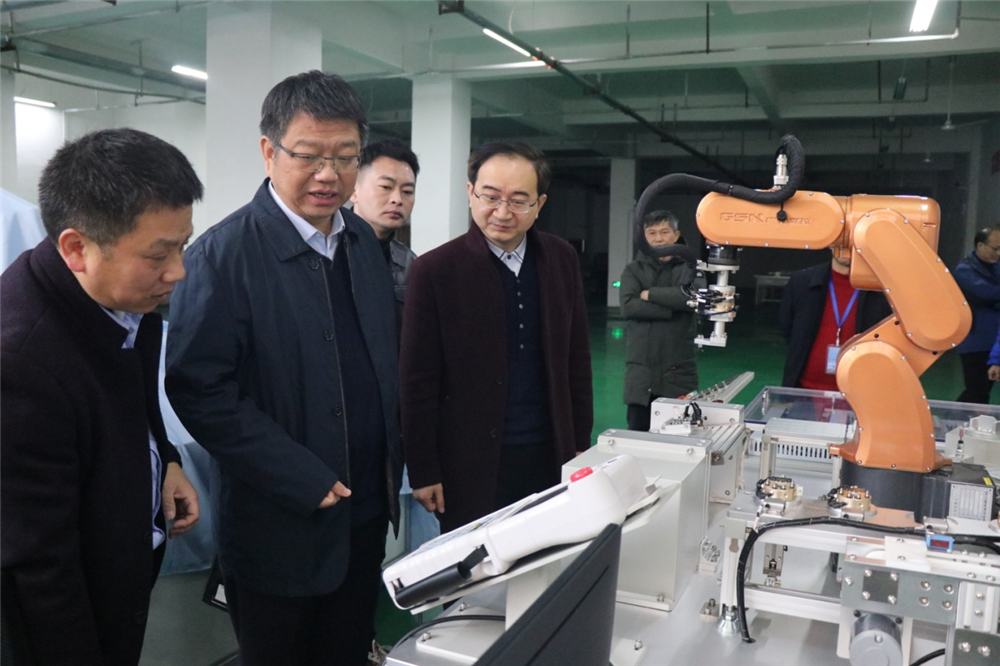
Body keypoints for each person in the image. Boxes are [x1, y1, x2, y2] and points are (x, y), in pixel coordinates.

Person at [165, 71, 402, 666]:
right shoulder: (221, 257)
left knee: (347, 650)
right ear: (269, 151)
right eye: (309, 155)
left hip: (364, 514)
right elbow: (199, 390)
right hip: (278, 524)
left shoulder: (363, 245)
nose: (328, 174)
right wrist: (300, 476)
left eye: (345, 157)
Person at [1, 128, 202, 665]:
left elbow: (130, 402)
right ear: (77, 248)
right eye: (159, 254)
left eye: (182, 244)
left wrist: (165, 460)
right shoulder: (21, 364)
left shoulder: (125, 303)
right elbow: (41, 570)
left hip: (122, 575)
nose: (178, 271)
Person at [401, 141, 593, 534]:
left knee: (546, 556)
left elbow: (576, 357)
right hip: (467, 462)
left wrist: (579, 442)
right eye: (490, 197)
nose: (503, 212)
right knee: (473, 564)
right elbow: (417, 380)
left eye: (519, 201)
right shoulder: (435, 271)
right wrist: (424, 469)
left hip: (548, 453)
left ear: (539, 204)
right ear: (470, 193)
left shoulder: (561, 259)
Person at [620, 210, 705, 431]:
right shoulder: (633, 270)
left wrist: (650, 294)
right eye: (652, 233)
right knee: (636, 436)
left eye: (664, 232)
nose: (658, 238)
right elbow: (629, 306)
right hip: (642, 376)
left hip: (678, 374)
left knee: (678, 436)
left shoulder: (690, 268)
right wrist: (673, 309)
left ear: (676, 235)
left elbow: (693, 297)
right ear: (644, 237)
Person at [778, 250, 893, 390]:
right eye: (841, 241)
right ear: (830, 243)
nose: (846, 247)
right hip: (803, 391)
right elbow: (787, 329)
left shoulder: (885, 288)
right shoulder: (801, 282)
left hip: (861, 394)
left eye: (852, 241)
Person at [350, 138, 419, 313]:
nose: (397, 199)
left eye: (407, 191)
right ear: (353, 190)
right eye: (386, 187)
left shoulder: (410, 264)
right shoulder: (327, 251)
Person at [953, 226, 1000, 404]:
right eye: (995, 248)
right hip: (974, 342)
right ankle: (951, 418)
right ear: (980, 245)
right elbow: (987, 293)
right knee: (977, 391)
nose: (998, 253)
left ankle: (951, 418)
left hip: (994, 341)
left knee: (982, 391)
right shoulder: (965, 270)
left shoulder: (996, 268)